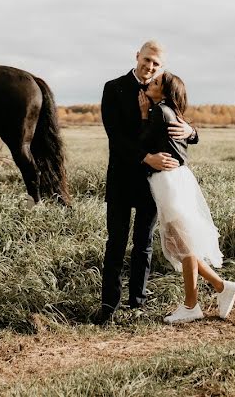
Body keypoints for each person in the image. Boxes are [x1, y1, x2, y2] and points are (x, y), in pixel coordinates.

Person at [94, 41, 196, 325]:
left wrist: (191, 131)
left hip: (153, 183)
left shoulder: (163, 90)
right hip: (121, 179)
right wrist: (145, 157)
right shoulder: (112, 88)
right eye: (147, 60)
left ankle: (136, 302)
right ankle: (108, 307)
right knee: (115, 243)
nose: (150, 67)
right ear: (137, 56)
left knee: (144, 243)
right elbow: (115, 135)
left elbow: (178, 120)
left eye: (156, 64)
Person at [139, 71, 235, 324]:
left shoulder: (159, 111)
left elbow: (143, 142)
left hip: (168, 182)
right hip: (176, 180)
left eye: (157, 82)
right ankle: (220, 286)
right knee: (180, 244)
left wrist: (143, 115)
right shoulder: (170, 112)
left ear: (166, 91)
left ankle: (192, 305)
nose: (151, 83)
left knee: (183, 245)